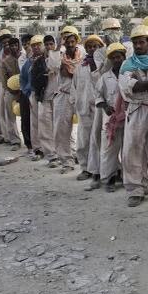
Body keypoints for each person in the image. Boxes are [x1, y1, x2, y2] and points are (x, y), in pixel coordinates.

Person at [118, 24, 148, 206]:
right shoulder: (128, 64)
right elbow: (129, 87)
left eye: (142, 42)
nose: (139, 46)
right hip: (136, 110)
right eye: (135, 43)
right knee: (133, 150)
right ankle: (136, 188)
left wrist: (142, 83)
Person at [86, 42, 127, 192]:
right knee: (108, 149)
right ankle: (109, 179)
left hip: (128, 117)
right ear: (110, 59)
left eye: (119, 57)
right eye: (114, 57)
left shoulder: (129, 74)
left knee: (128, 149)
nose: (117, 60)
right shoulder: (105, 77)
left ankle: (127, 178)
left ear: (124, 57)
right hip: (111, 118)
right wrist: (104, 106)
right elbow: (98, 96)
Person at [49, 26, 82, 170]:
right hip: (63, 95)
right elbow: (53, 65)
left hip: (80, 95)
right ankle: (66, 160)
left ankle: (83, 161)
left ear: (76, 41)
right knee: (61, 129)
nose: (70, 44)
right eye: (66, 41)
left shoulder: (83, 55)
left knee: (85, 129)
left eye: (72, 41)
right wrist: (57, 48)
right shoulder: (59, 56)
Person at [74, 35, 104, 180]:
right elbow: (75, 86)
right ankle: (85, 168)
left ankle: (101, 169)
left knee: (99, 139)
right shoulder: (80, 66)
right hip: (84, 107)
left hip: (100, 107)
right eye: (89, 46)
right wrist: (76, 103)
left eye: (95, 46)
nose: (92, 49)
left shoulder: (104, 65)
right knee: (83, 139)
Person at [0, 36, 23, 149]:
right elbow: (4, 80)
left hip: (24, 92)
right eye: (11, 45)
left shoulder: (24, 57)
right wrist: (13, 91)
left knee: (26, 116)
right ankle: (15, 140)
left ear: (19, 46)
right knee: (10, 116)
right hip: (10, 91)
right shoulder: (5, 61)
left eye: (15, 45)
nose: (13, 47)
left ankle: (31, 141)